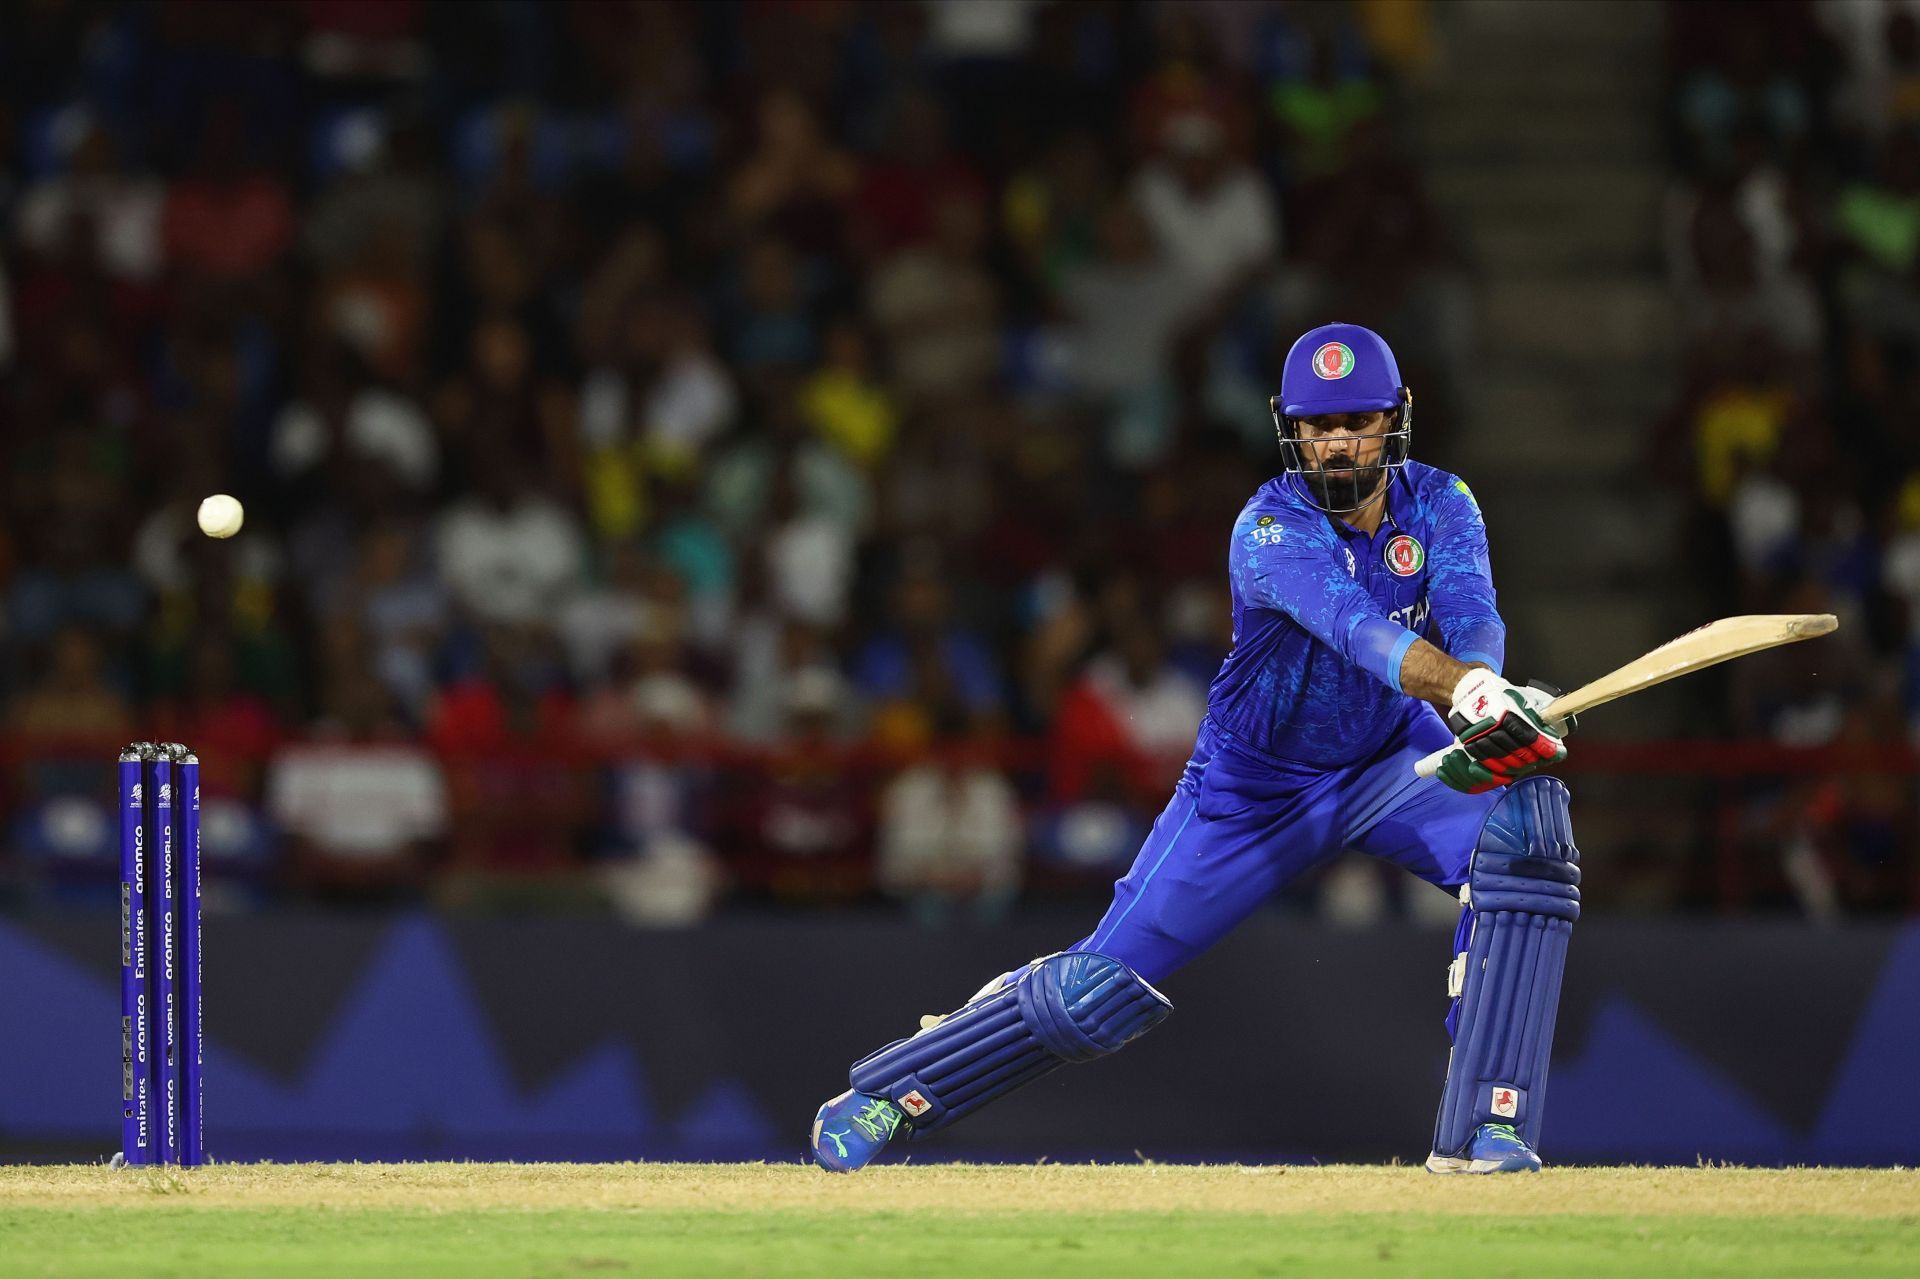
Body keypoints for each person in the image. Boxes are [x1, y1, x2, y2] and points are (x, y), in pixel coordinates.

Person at [807, 323, 1579, 1175]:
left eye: (1355, 420)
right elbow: (1358, 632)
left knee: (1527, 830)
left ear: (1397, 416)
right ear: (1291, 427)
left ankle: (1485, 1130)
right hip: (1251, 793)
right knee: (1089, 998)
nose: (1335, 443)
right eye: (1318, 426)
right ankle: (886, 1091)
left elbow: (1472, 612)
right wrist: (1465, 691)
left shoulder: (1443, 501)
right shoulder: (1268, 527)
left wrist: (1490, 692)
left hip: (1387, 761)